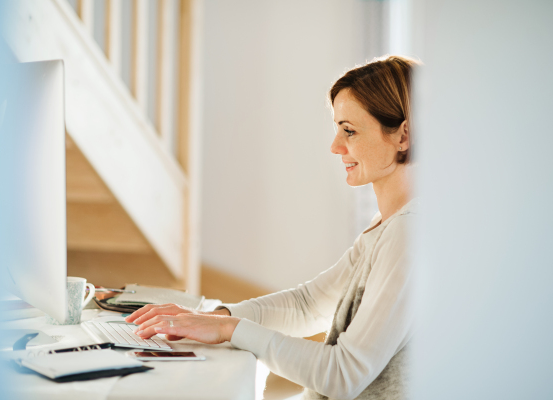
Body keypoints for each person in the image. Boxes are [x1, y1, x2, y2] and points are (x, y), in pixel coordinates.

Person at [125, 55, 420, 400]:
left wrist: (228, 328)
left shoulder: (409, 234)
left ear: (403, 136)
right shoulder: (388, 225)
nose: (335, 146)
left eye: (350, 131)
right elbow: (308, 305)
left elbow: (343, 374)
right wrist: (214, 317)